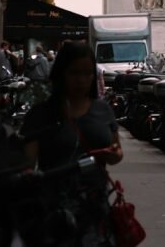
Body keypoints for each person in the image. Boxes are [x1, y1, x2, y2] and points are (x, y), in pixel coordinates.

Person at [21, 41, 124, 246]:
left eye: (87, 74)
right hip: (55, 211)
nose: (82, 80)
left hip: (96, 210)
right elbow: (27, 166)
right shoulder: (41, 114)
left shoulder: (103, 110)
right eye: (75, 73)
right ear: (61, 74)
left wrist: (114, 154)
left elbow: (116, 151)